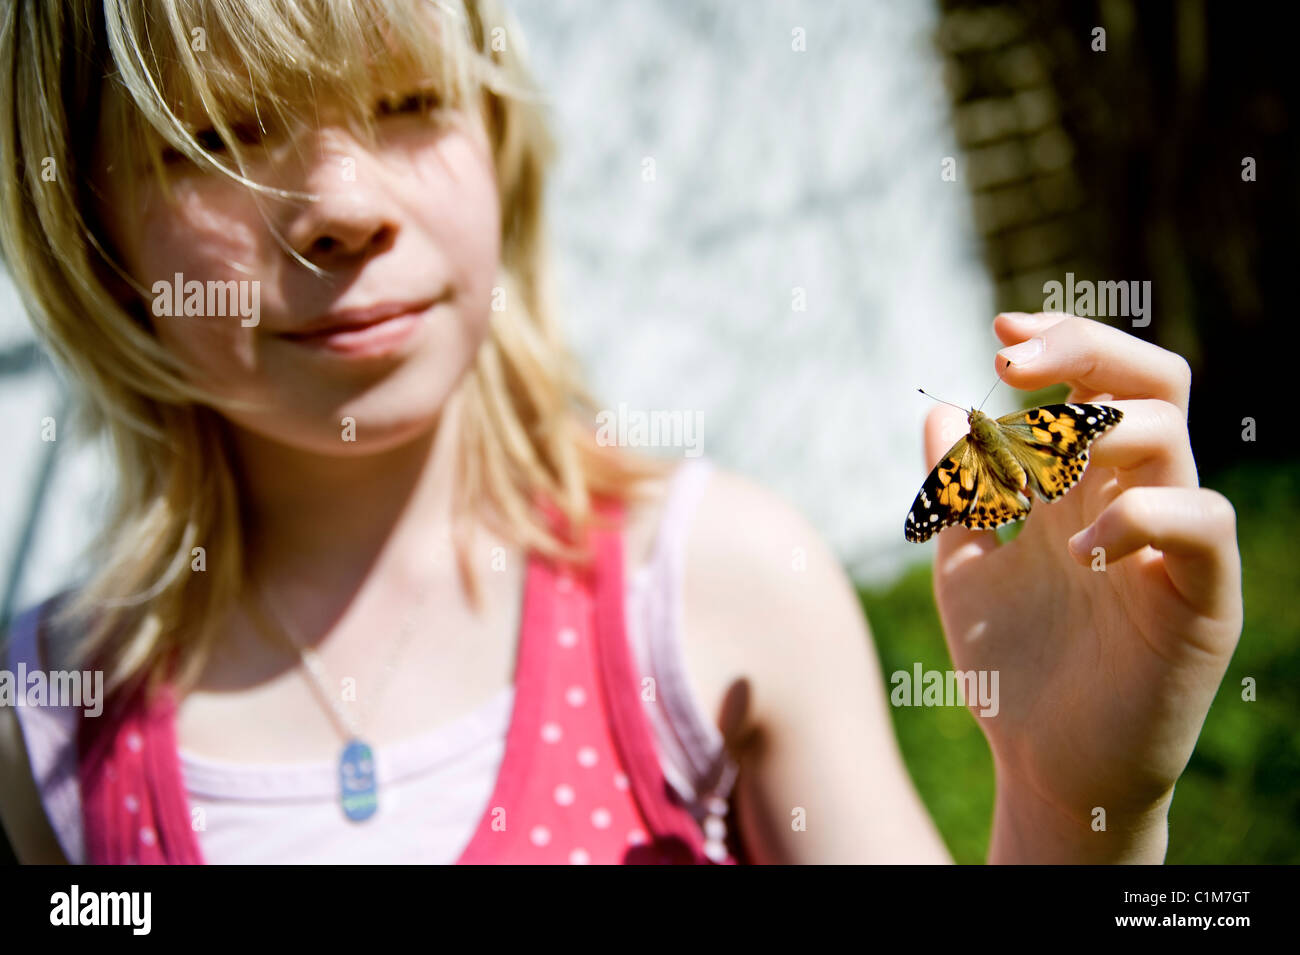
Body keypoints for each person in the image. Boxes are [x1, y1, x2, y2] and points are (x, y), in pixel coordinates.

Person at [0, 0, 1242, 864]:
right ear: (91, 233)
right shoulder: (46, 733)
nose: (339, 205)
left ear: (498, 142)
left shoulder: (717, 592)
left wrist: (1070, 807)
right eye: (217, 136)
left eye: (409, 99)